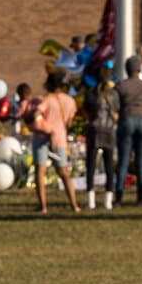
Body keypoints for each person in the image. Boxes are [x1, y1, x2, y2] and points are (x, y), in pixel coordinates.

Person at [30, 71, 82, 213]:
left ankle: (43, 206)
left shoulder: (47, 99)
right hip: (60, 139)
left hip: (42, 138)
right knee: (63, 172)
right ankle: (74, 204)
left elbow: (36, 114)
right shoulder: (70, 101)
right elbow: (70, 122)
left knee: (40, 172)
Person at [114, 61, 142, 208]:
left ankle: (118, 198)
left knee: (123, 162)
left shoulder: (121, 85)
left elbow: (115, 105)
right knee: (141, 162)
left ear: (127, 69)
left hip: (126, 120)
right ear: (139, 69)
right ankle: (140, 199)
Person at [82, 64, 117, 209]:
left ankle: (91, 200)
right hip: (109, 130)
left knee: (91, 166)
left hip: (94, 130)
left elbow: (85, 111)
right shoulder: (114, 94)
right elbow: (118, 109)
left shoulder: (90, 93)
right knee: (109, 166)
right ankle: (108, 200)